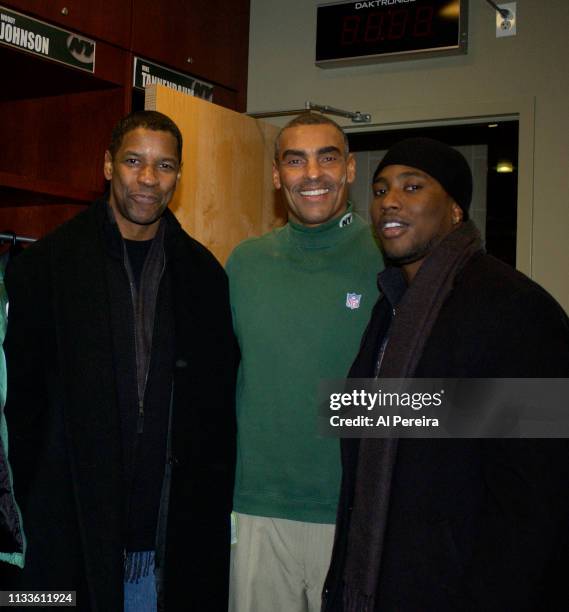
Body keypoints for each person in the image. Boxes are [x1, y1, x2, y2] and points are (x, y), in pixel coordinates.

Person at [2, 111, 237, 611]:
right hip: (65, 535)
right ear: (108, 165)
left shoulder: (203, 277)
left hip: (165, 542)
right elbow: (21, 412)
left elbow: (215, 420)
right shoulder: (45, 267)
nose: (149, 179)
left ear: (179, 174)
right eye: (134, 161)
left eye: (165, 166)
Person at [323, 137, 569, 611]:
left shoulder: (514, 308)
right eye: (379, 190)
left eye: (412, 187)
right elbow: (387, 423)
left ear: (456, 211)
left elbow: (537, 497)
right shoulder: (391, 305)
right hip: (386, 579)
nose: (389, 201)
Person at [226, 112, 382, 611]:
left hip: (356, 512)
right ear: (277, 176)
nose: (312, 173)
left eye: (327, 158)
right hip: (256, 509)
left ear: (351, 169)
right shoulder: (244, 264)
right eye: (296, 160)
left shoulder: (390, 258)